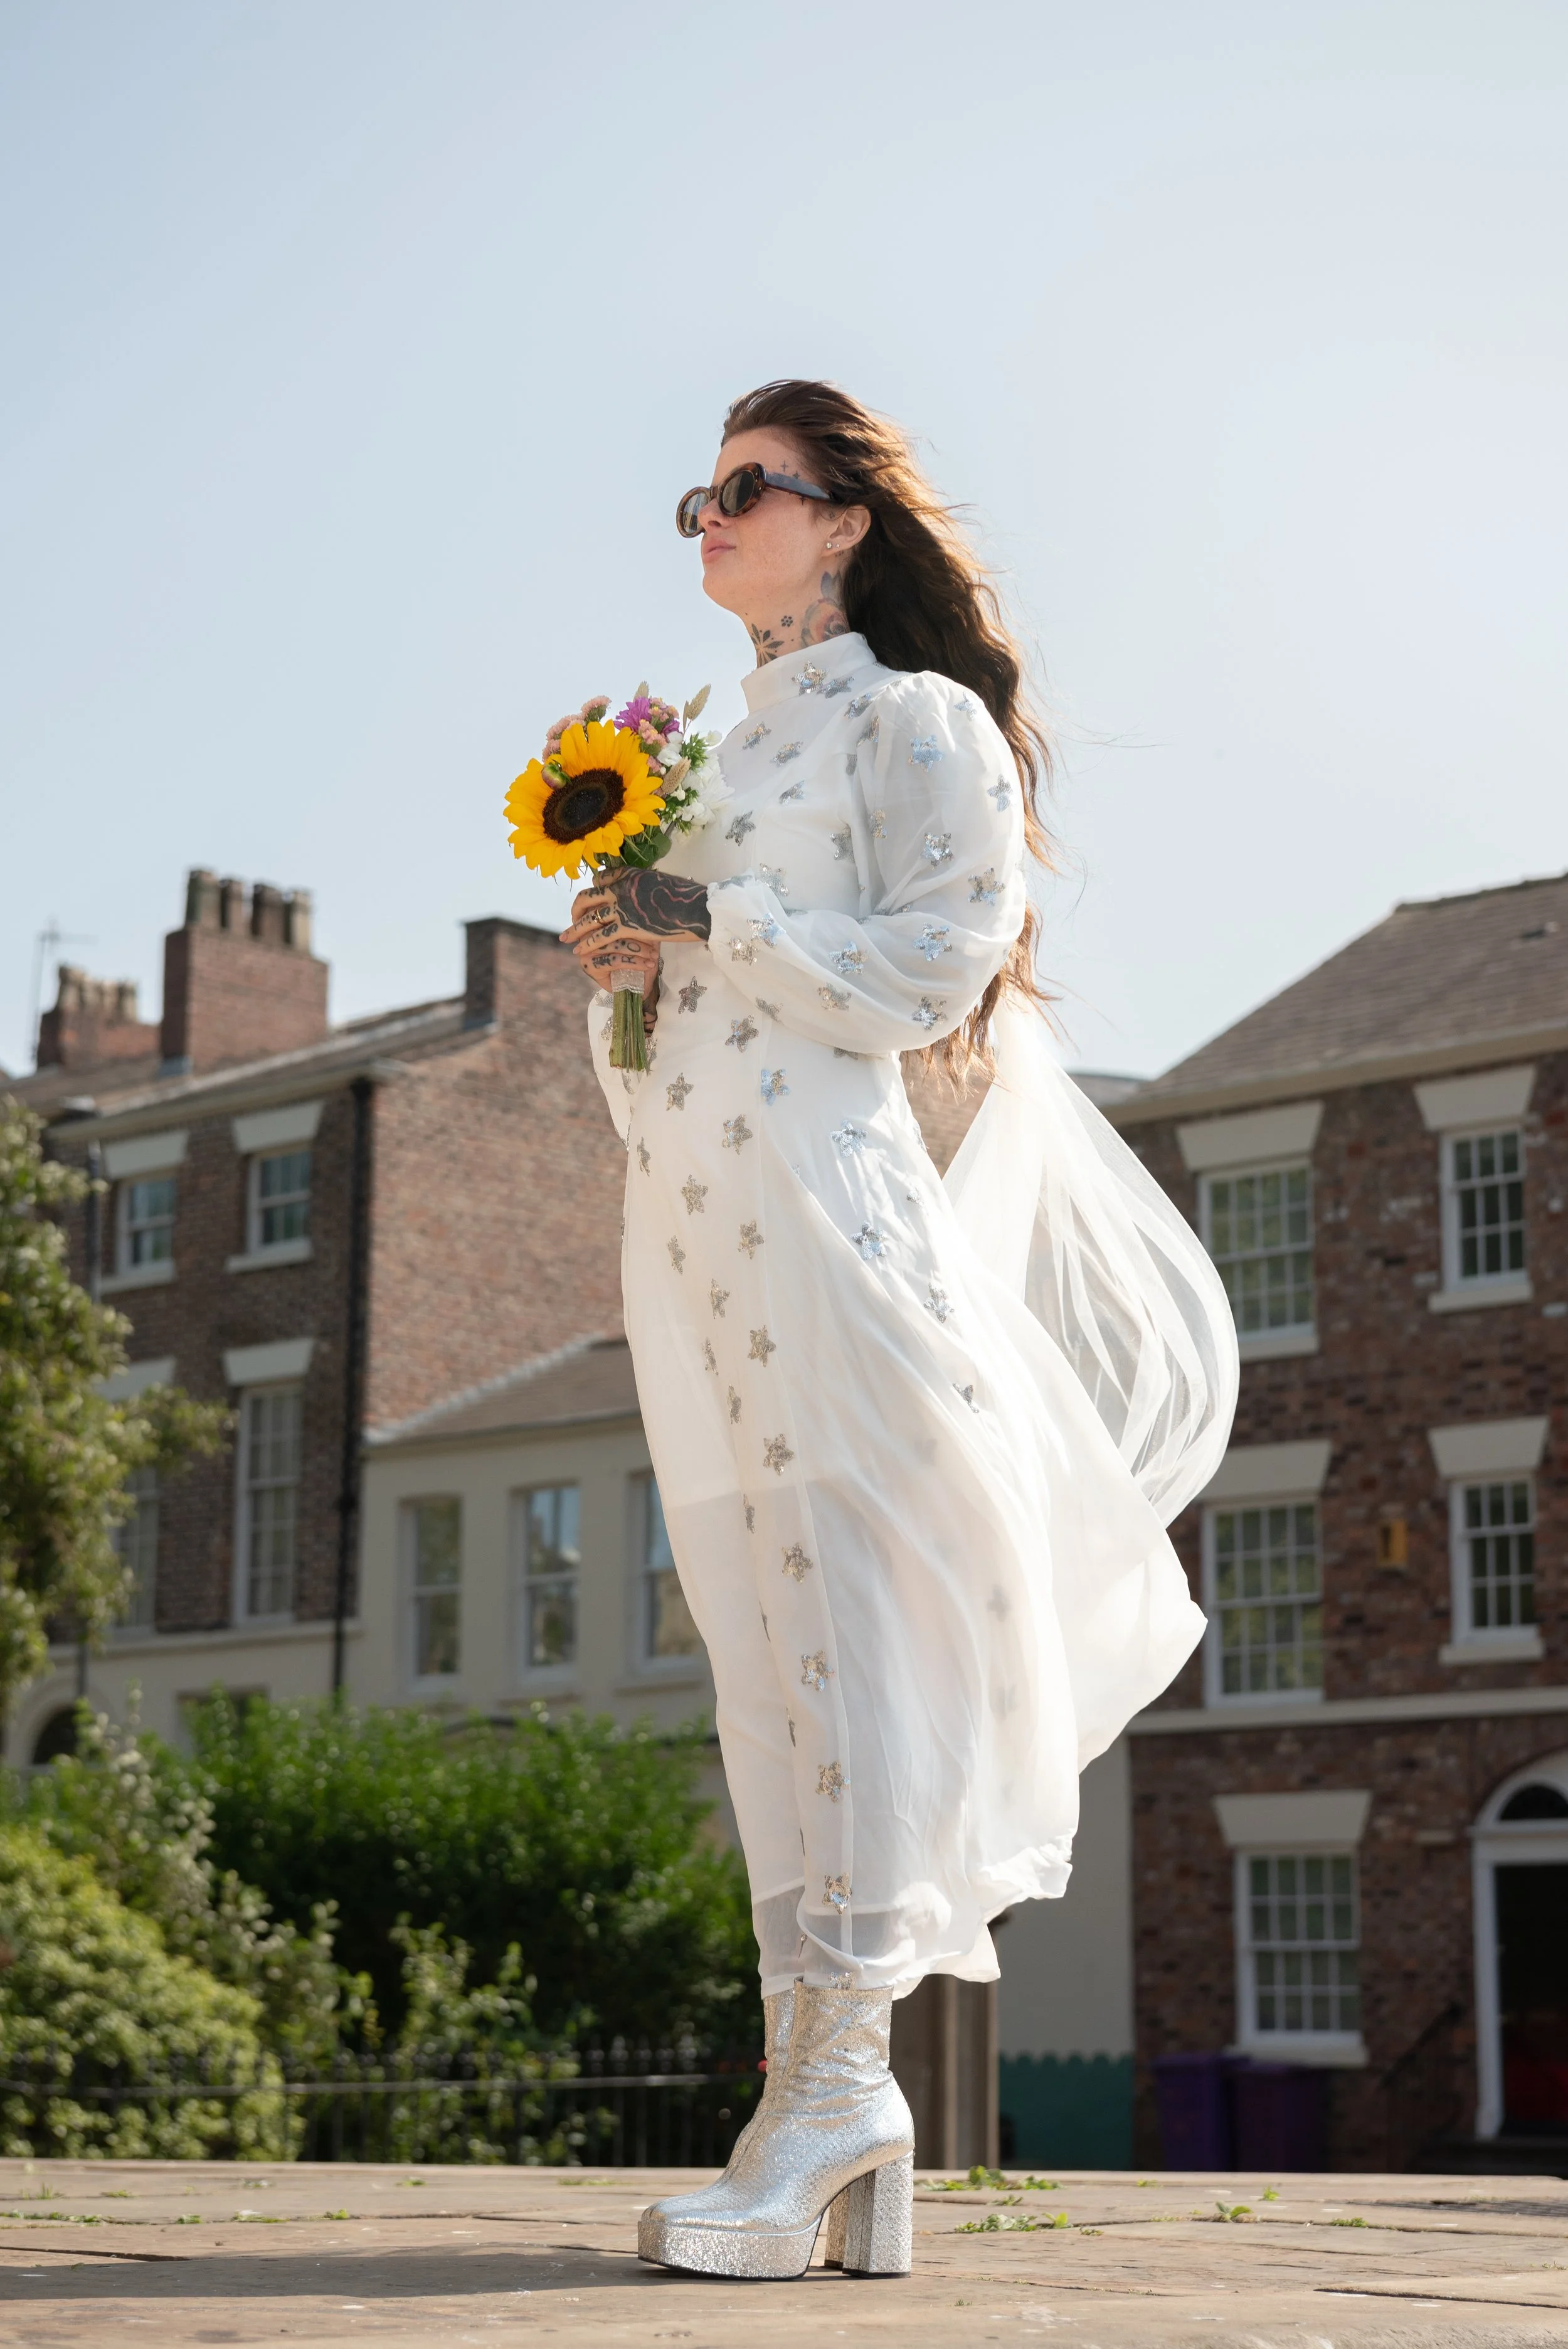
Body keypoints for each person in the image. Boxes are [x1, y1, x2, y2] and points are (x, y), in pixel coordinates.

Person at [561, 380, 1237, 2281]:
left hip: (839, 1235)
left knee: (847, 1623)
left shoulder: (914, 723)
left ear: (846, 516)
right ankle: (809, 2102)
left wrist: (715, 923)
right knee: (760, 1646)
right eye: (692, 493)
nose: (708, 516)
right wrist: (624, 976)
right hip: (689, 1240)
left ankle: (848, 2091)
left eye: (745, 489)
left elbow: (936, 970)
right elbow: (680, 1046)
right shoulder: (695, 754)